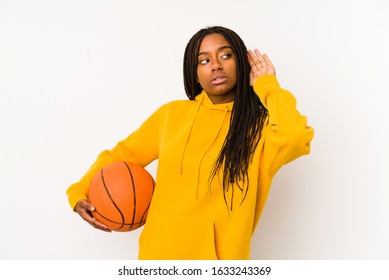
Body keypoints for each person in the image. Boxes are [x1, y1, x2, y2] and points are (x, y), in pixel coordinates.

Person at [66, 26, 314, 260]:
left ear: (242, 62)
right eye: (204, 60)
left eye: (225, 56)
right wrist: (78, 193)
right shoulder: (171, 115)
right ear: (194, 74)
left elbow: (294, 137)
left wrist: (266, 85)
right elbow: (120, 155)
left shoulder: (259, 129)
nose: (215, 66)